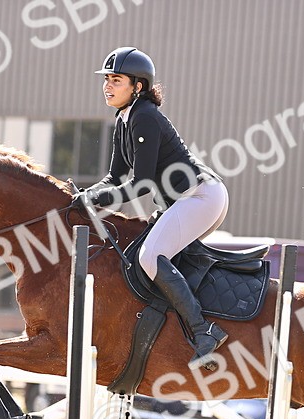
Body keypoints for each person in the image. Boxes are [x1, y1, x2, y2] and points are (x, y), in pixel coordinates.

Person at [73, 46, 229, 368]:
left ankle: (205, 331)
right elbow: (114, 176)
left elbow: (141, 184)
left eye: (116, 80)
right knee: (146, 252)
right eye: (107, 80)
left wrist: (98, 200)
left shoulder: (144, 116)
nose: (107, 86)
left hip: (200, 197)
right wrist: (82, 194)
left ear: (137, 86)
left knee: (149, 256)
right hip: (188, 199)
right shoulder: (124, 119)